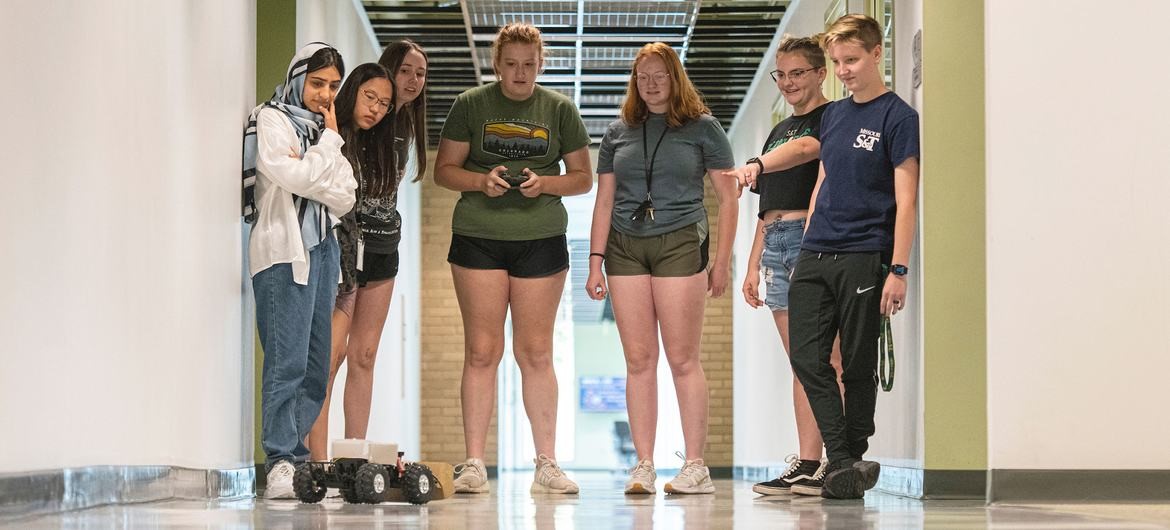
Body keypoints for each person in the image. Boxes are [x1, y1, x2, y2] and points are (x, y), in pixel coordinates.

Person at [434, 22, 592, 495]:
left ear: (540, 64)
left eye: (529, 65)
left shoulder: (560, 109)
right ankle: (475, 463)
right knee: (482, 351)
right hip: (479, 236)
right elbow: (444, 170)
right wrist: (480, 182)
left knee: (536, 352)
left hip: (540, 237)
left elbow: (583, 178)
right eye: (510, 64)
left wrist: (545, 184)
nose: (520, 73)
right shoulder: (470, 105)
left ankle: (546, 462)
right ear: (496, 65)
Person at [585, 42, 738, 495]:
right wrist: (595, 263)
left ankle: (695, 465)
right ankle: (644, 465)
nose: (650, 84)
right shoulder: (618, 132)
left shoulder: (703, 128)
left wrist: (722, 260)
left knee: (682, 358)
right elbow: (604, 200)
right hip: (624, 247)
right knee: (638, 360)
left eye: (659, 75)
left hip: (679, 243)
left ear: (675, 77)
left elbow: (729, 198)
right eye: (642, 76)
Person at [787, 14, 920, 499]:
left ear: (876, 54)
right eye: (837, 62)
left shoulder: (898, 117)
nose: (843, 70)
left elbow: (907, 199)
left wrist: (899, 269)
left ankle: (850, 461)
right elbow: (824, 177)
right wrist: (808, 234)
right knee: (806, 357)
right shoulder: (835, 115)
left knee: (859, 363)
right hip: (816, 251)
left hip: (866, 254)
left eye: (852, 60)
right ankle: (844, 460)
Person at [307, 39, 430, 463]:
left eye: (420, 74)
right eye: (406, 72)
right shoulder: (334, 131)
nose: (413, 81)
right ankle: (318, 462)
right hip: (342, 252)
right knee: (331, 355)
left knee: (365, 353)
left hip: (383, 251)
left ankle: (352, 459)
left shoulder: (397, 131)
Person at [242, 42, 356, 499]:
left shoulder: (323, 132)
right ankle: (280, 462)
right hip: (282, 250)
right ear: (297, 80)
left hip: (323, 249)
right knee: (285, 362)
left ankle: (299, 456)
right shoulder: (271, 118)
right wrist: (327, 145)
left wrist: (317, 161)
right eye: (317, 83)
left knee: (315, 366)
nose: (326, 95)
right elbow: (292, 177)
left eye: (333, 86)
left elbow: (345, 194)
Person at [734, 36, 844, 498]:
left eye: (797, 73)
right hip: (776, 242)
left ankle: (836, 463)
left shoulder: (833, 117)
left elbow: (807, 155)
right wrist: (752, 264)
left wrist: (757, 162)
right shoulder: (779, 130)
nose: (788, 83)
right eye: (781, 75)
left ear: (821, 73)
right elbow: (766, 207)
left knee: (825, 360)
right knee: (802, 362)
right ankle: (807, 462)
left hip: (809, 240)